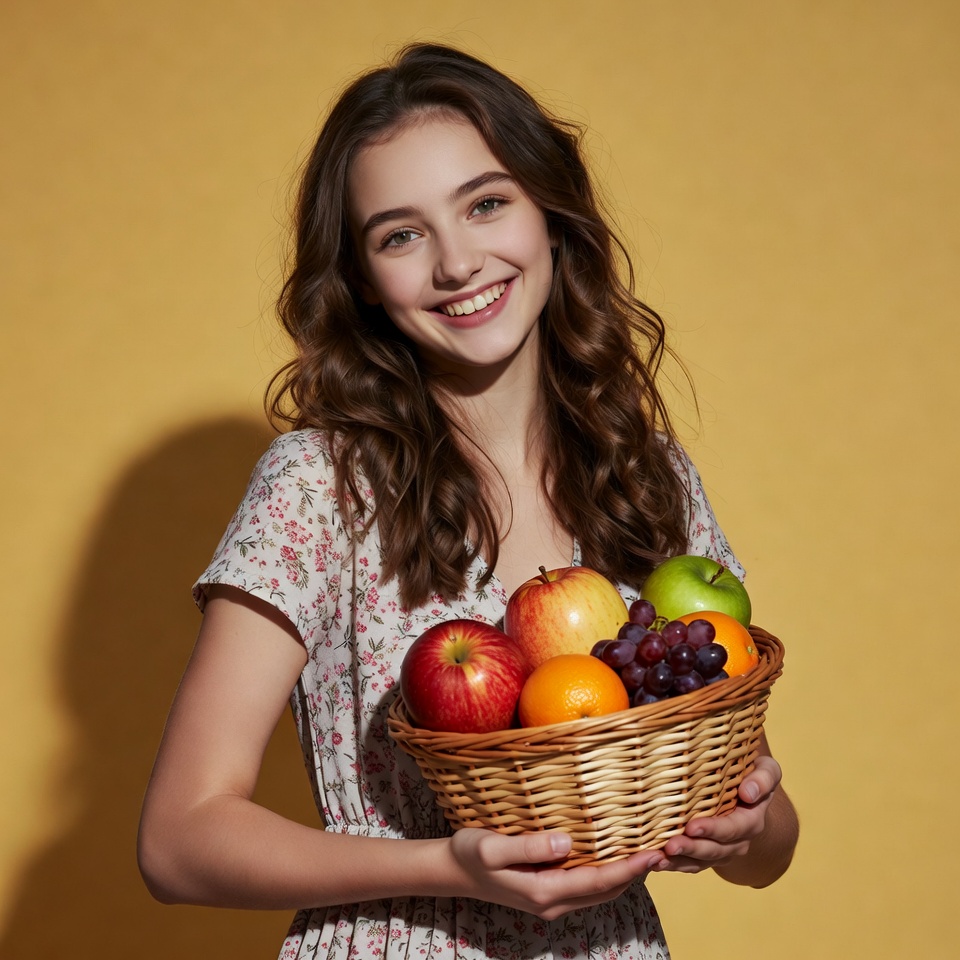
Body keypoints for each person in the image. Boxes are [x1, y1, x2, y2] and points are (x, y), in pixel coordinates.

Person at [138, 42, 798, 960]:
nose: (458, 263)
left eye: (487, 203)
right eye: (400, 234)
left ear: (552, 217)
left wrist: (750, 827)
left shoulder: (645, 473)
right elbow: (178, 840)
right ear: (363, 280)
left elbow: (767, 847)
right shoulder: (319, 487)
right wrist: (448, 866)